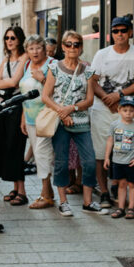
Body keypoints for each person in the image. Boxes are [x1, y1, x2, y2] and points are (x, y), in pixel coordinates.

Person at [41, 30, 106, 217]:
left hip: (82, 123)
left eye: (76, 44)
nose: (72, 48)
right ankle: (63, 202)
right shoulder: (54, 68)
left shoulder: (88, 71)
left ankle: (87, 202)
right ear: (62, 47)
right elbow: (46, 96)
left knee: (90, 162)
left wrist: (71, 109)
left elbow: (89, 100)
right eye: (68, 44)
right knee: (61, 162)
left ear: (81, 48)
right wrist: (62, 113)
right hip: (60, 124)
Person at [90, 16, 134, 209]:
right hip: (102, 110)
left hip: (126, 111)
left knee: (124, 150)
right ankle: (104, 192)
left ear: (130, 32)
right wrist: (108, 99)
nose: (120, 34)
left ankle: (117, 185)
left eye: (123, 30)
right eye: (116, 31)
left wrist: (119, 95)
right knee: (100, 153)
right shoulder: (102, 54)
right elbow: (93, 81)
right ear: (111, 34)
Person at [18, 34, 55, 210]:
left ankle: (45, 195)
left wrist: (43, 79)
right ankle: (49, 193)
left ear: (44, 48)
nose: (35, 51)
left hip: (47, 117)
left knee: (41, 155)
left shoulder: (52, 64)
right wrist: (23, 117)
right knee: (40, 155)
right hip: (30, 117)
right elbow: (24, 94)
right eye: (31, 48)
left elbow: (59, 90)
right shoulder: (27, 65)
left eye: (38, 47)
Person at [0, 26, 28, 205]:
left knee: (16, 147)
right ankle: (15, 188)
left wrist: (2, 83)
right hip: (3, 107)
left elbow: (15, 81)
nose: (9, 41)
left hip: (16, 106)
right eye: (7, 38)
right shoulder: (6, 59)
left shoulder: (25, 57)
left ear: (20, 39)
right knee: (5, 147)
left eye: (13, 38)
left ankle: (22, 190)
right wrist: (4, 84)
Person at [104, 96, 134, 219]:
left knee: (132, 185)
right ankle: (121, 208)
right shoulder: (114, 125)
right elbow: (110, 141)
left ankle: (131, 208)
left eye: (131, 111)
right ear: (119, 110)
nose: (128, 113)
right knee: (121, 184)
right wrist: (107, 157)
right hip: (117, 161)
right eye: (125, 110)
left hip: (131, 161)